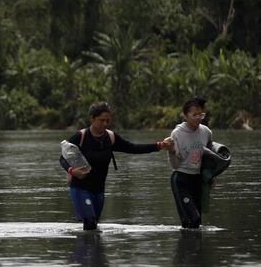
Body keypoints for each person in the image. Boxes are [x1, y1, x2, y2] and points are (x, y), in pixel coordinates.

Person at [59, 101, 173, 231]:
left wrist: (159, 146)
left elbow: (133, 148)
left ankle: (93, 251)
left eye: (108, 121)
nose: (105, 124)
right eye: (101, 120)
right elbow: (63, 158)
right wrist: (72, 170)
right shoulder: (81, 136)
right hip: (80, 188)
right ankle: (85, 250)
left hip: (99, 190)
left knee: (93, 226)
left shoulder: (111, 137)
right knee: (90, 223)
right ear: (92, 118)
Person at [166, 96, 215, 229]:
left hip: (197, 179)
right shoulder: (177, 134)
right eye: (194, 115)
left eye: (201, 114)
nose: (198, 118)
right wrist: (171, 151)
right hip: (181, 179)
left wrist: (210, 178)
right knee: (193, 218)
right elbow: (174, 165)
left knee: (196, 223)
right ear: (186, 115)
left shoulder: (206, 132)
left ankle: (190, 248)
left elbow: (209, 158)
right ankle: (186, 247)